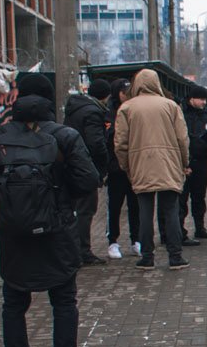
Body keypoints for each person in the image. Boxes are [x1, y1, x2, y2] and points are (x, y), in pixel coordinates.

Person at [0, 73, 100, 347]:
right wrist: (60, 195)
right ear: (48, 100)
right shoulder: (64, 136)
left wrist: (12, 202)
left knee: (14, 304)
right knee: (64, 301)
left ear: (18, 98)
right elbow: (88, 180)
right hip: (58, 231)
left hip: (14, 235)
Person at [114, 70, 191, 270]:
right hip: (168, 163)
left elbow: (120, 143)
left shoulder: (127, 108)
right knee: (171, 211)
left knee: (145, 213)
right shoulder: (170, 106)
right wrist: (184, 163)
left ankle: (147, 257)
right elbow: (182, 139)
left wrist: (126, 166)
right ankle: (175, 256)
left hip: (141, 164)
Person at [64, 78, 111, 264]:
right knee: (86, 210)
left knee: (75, 210)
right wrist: (103, 165)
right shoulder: (93, 112)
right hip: (86, 167)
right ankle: (82, 251)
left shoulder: (75, 108)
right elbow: (96, 143)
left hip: (72, 165)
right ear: (105, 96)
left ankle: (73, 249)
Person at [104, 78, 139, 259]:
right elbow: (108, 139)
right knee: (115, 206)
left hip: (133, 167)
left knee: (136, 205)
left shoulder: (135, 109)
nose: (128, 95)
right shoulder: (109, 113)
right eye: (125, 92)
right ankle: (113, 241)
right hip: (116, 168)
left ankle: (136, 240)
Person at [180, 86, 207, 241]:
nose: (204, 102)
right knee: (181, 198)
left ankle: (200, 228)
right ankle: (180, 231)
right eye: (201, 99)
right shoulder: (181, 114)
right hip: (184, 163)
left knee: (199, 197)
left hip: (201, 162)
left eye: (205, 99)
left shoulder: (206, 116)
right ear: (192, 99)